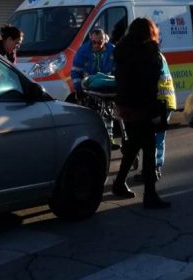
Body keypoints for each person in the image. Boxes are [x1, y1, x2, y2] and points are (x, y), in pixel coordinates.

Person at [112, 18, 169, 210]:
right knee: (149, 149)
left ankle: (119, 183)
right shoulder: (149, 53)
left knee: (134, 144)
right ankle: (150, 194)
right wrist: (155, 111)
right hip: (143, 107)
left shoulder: (121, 50)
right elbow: (150, 84)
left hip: (126, 107)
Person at [70, 27, 115, 93]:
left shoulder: (113, 51)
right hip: (89, 86)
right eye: (94, 42)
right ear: (91, 40)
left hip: (108, 85)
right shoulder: (83, 52)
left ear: (105, 40)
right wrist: (78, 88)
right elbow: (76, 70)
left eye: (99, 42)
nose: (96, 45)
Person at [154, 44, 176, 180]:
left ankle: (154, 167)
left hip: (160, 102)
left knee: (155, 137)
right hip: (165, 101)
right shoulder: (157, 54)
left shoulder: (153, 57)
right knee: (159, 137)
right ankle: (157, 165)